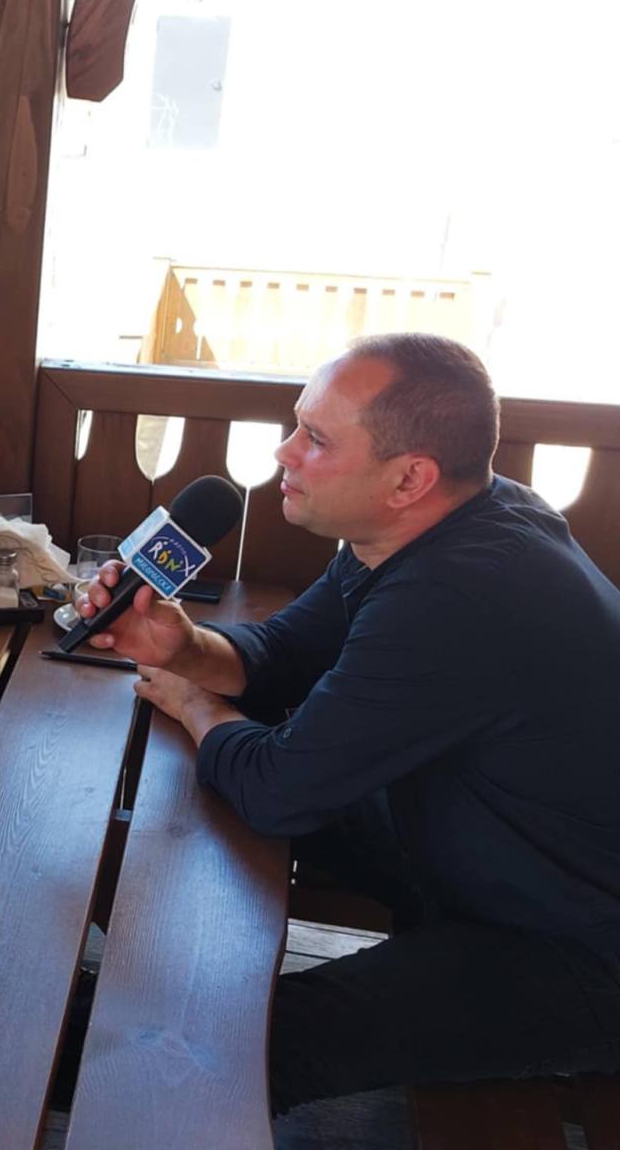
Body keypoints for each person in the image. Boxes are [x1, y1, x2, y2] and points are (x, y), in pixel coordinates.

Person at [74, 333, 620, 1111]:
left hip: (571, 943)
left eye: (316, 438)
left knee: (230, 1047)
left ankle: (5, 1058)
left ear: (409, 478)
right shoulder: (438, 522)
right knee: (183, 818)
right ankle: (70, 998)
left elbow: (278, 792)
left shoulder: (461, 592)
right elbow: (284, 653)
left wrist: (196, 703)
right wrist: (186, 649)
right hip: (476, 843)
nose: (285, 452)